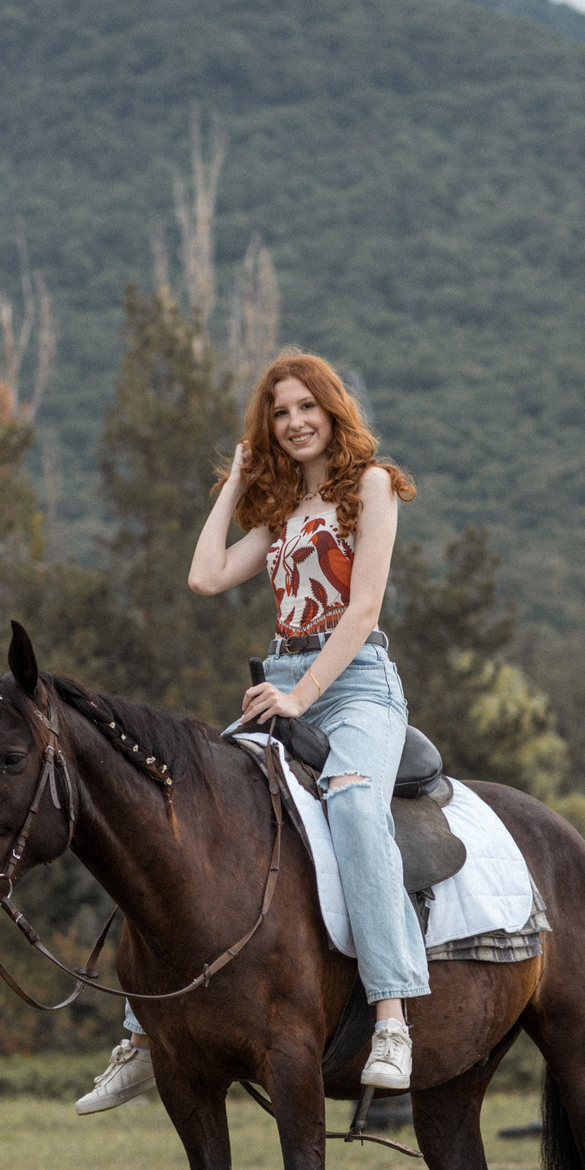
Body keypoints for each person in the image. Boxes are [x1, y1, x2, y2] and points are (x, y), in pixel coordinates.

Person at [76, 353, 425, 1115]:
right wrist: (234, 482)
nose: (296, 421)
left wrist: (301, 695)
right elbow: (203, 577)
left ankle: (394, 1018)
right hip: (281, 683)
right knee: (180, 815)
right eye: (280, 413)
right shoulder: (276, 516)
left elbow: (361, 613)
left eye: (308, 407)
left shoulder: (370, 487)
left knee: (359, 807)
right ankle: (140, 1036)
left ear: (333, 410)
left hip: (356, 685)